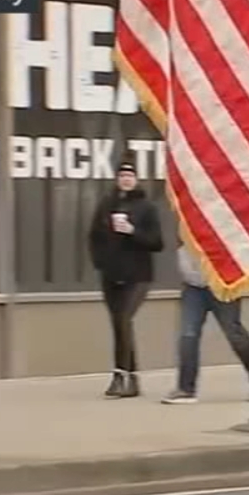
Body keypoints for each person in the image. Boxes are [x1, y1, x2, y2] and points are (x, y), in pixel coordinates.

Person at [88, 157, 164, 398]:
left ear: (137, 179)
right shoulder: (106, 204)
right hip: (111, 273)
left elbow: (157, 242)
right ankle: (131, 378)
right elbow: (94, 236)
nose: (126, 180)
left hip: (138, 275)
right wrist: (100, 261)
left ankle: (120, 374)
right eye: (122, 175)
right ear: (117, 179)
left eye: (130, 176)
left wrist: (133, 231)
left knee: (124, 318)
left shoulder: (147, 207)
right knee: (119, 324)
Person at [160, 243, 249, 404]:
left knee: (234, 333)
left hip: (224, 286)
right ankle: (185, 389)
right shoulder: (187, 235)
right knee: (188, 335)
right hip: (194, 289)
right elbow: (184, 262)